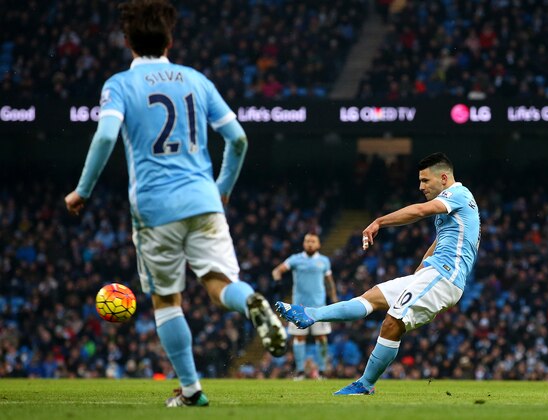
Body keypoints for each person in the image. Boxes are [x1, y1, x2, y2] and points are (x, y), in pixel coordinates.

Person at [64, 0, 286, 407]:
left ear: (128, 41)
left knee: (167, 300)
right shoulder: (196, 80)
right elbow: (238, 139)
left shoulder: (119, 85)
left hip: (154, 208)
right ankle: (250, 301)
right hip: (205, 200)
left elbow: (105, 137)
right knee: (221, 285)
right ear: (170, 39)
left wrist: (83, 190)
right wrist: (222, 188)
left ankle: (191, 390)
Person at [276, 152, 480, 395]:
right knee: (372, 297)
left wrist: (379, 222)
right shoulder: (456, 207)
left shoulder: (457, 194)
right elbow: (440, 241)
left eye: (425, 181)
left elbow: (419, 211)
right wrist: (419, 270)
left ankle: (365, 384)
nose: (420, 186)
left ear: (444, 178)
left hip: (444, 276)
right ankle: (310, 314)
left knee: (393, 322)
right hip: (432, 273)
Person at [272, 233, 337, 380]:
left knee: (321, 338)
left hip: (319, 307)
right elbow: (277, 270)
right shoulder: (295, 259)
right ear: (303, 244)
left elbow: (329, 281)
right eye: (307, 241)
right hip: (298, 307)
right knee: (298, 338)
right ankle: (300, 372)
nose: (310, 244)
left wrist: (334, 298)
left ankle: (321, 372)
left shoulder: (324, 261)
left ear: (318, 245)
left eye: (313, 241)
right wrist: (277, 284)